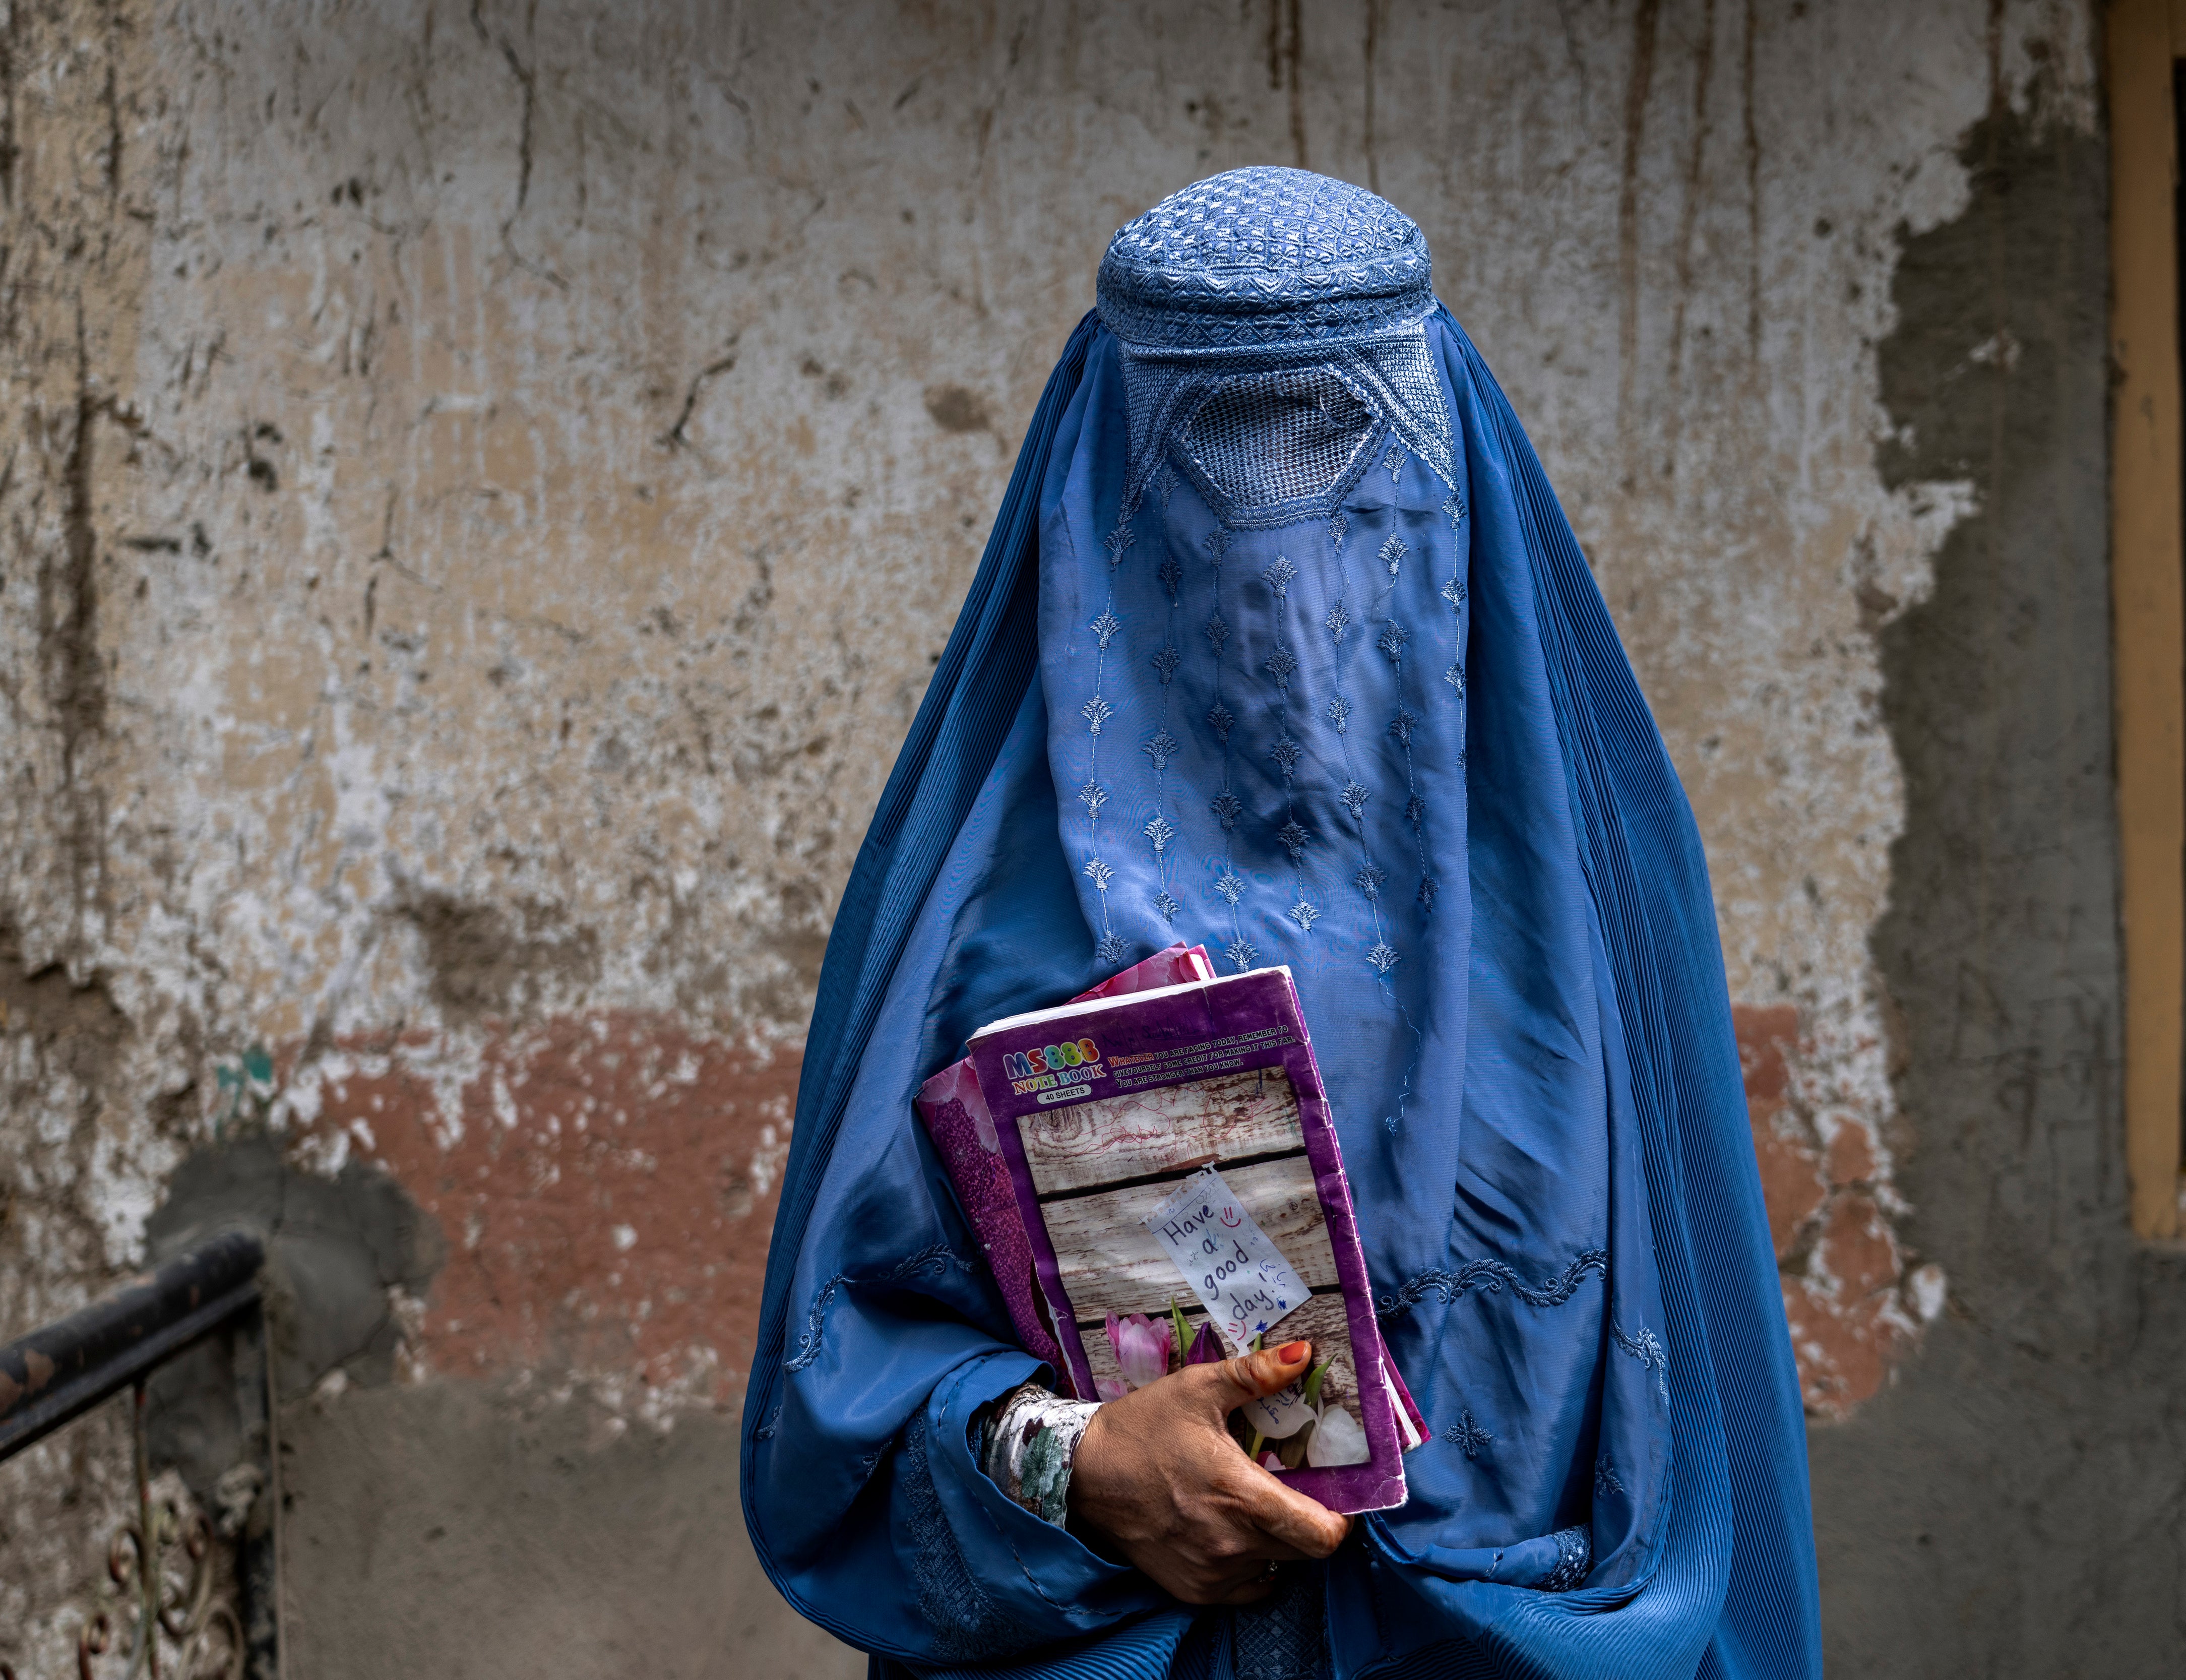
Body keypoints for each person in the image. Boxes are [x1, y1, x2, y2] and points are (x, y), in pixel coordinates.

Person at [742, 166, 1820, 1679]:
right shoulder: (978, 901)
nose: (1278, 589)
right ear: (1096, 474)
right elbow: (832, 1397)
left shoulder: (1593, 910)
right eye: (1202, 458)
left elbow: (1699, 1421)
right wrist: (1076, 1462)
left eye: (1339, 443)